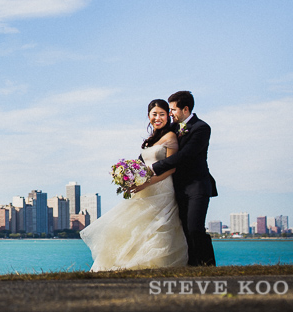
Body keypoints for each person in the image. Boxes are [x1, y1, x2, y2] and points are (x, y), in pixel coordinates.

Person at [80, 99, 188, 271]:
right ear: (148, 116)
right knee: (134, 228)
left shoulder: (171, 137)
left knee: (158, 229)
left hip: (162, 189)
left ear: (168, 115)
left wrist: (146, 183)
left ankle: (153, 265)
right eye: (154, 114)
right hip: (144, 190)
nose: (158, 118)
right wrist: (128, 177)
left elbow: (171, 168)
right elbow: (142, 165)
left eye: (162, 114)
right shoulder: (149, 140)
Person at [146, 90, 217, 266]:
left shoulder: (201, 128)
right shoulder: (173, 129)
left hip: (197, 186)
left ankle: (208, 265)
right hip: (178, 188)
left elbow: (185, 155)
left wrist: (153, 168)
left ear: (185, 109)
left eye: (172, 110)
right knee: (184, 230)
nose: (170, 114)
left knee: (195, 229)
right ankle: (192, 265)